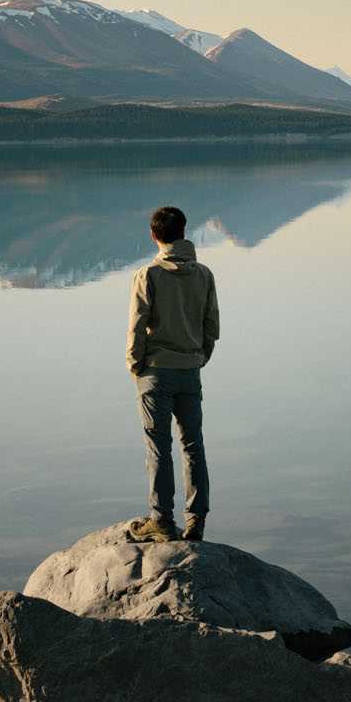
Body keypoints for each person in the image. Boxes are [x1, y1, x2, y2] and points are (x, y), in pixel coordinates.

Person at [124, 205, 219, 542]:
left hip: (155, 372)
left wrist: (134, 364)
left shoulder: (147, 275)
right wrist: (199, 356)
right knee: (193, 445)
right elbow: (212, 325)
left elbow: (136, 325)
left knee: (158, 448)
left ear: (154, 236)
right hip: (189, 370)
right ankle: (196, 522)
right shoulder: (204, 274)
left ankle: (161, 520)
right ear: (183, 232)